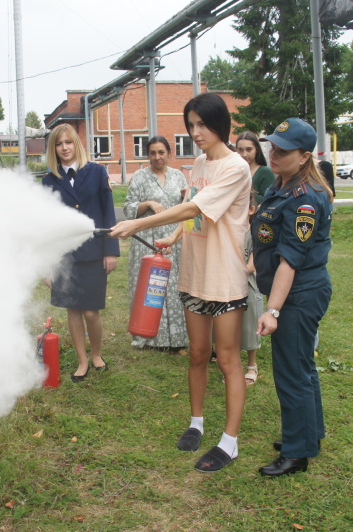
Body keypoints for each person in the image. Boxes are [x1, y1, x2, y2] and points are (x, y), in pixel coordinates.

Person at [110, 93, 251, 473]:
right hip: (193, 274)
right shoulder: (200, 164)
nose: (196, 132)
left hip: (224, 278)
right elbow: (196, 219)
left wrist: (138, 223)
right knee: (197, 354)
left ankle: (230, 441)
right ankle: (196, 422)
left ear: (220, 124)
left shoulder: (236, 167)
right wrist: (174, 238)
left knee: (227, 359)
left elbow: (193, 207)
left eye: (202, 125)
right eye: (191, 126)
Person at [252, 118, 333, 477]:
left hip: (297, 294)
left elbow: (290, 261)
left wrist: (272, 310)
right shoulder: (284, 185)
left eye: (283, 151)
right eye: (272, 146)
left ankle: (297, 453)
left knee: (292, 372)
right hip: (294, 292)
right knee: (302, 368)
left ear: (304, 157)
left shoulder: (306, 200)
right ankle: (309, 435)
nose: (274, 153)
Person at [41, 124, 119, 382]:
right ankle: (82, 361)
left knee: (91, 311)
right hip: (65, 256)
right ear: (54, 149)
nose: (64, 148)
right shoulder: (48, 180)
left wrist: (111, 250)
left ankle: (96, 353)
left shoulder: (97, 172)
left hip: (95, 251)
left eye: (69, 142)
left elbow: (108, 211)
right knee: (73, 310)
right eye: (59, 144)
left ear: (77, 144)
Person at [123, 136, 188, 350]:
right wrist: (148, 203)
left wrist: (186, 196)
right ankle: (149, 335)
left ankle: (176, 338)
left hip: (172, 241)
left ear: (169, 153)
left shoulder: (179, 176)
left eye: (161, 152)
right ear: (147, 155)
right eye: (152, 153)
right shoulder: (140, 177)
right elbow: (128, 208)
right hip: (147, 240)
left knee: (173, 285)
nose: (157, 157)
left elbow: (187, 206)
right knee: (150, 287)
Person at [241, 191, 261, 386]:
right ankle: (232, 365)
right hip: (227, 288)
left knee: (250, 326)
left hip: (248, 287)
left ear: (251, 210)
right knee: (230, 329)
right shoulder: (229, 233)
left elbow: (252, 265)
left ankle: (251, 365)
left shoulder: (255, 233)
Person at [235, 131, 274, 204]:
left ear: (257, 150)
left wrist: (248, 191)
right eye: (240, 150)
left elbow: (268, 201)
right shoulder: (232, 171)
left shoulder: (265, 172)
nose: (244, 154)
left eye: (249, 149)